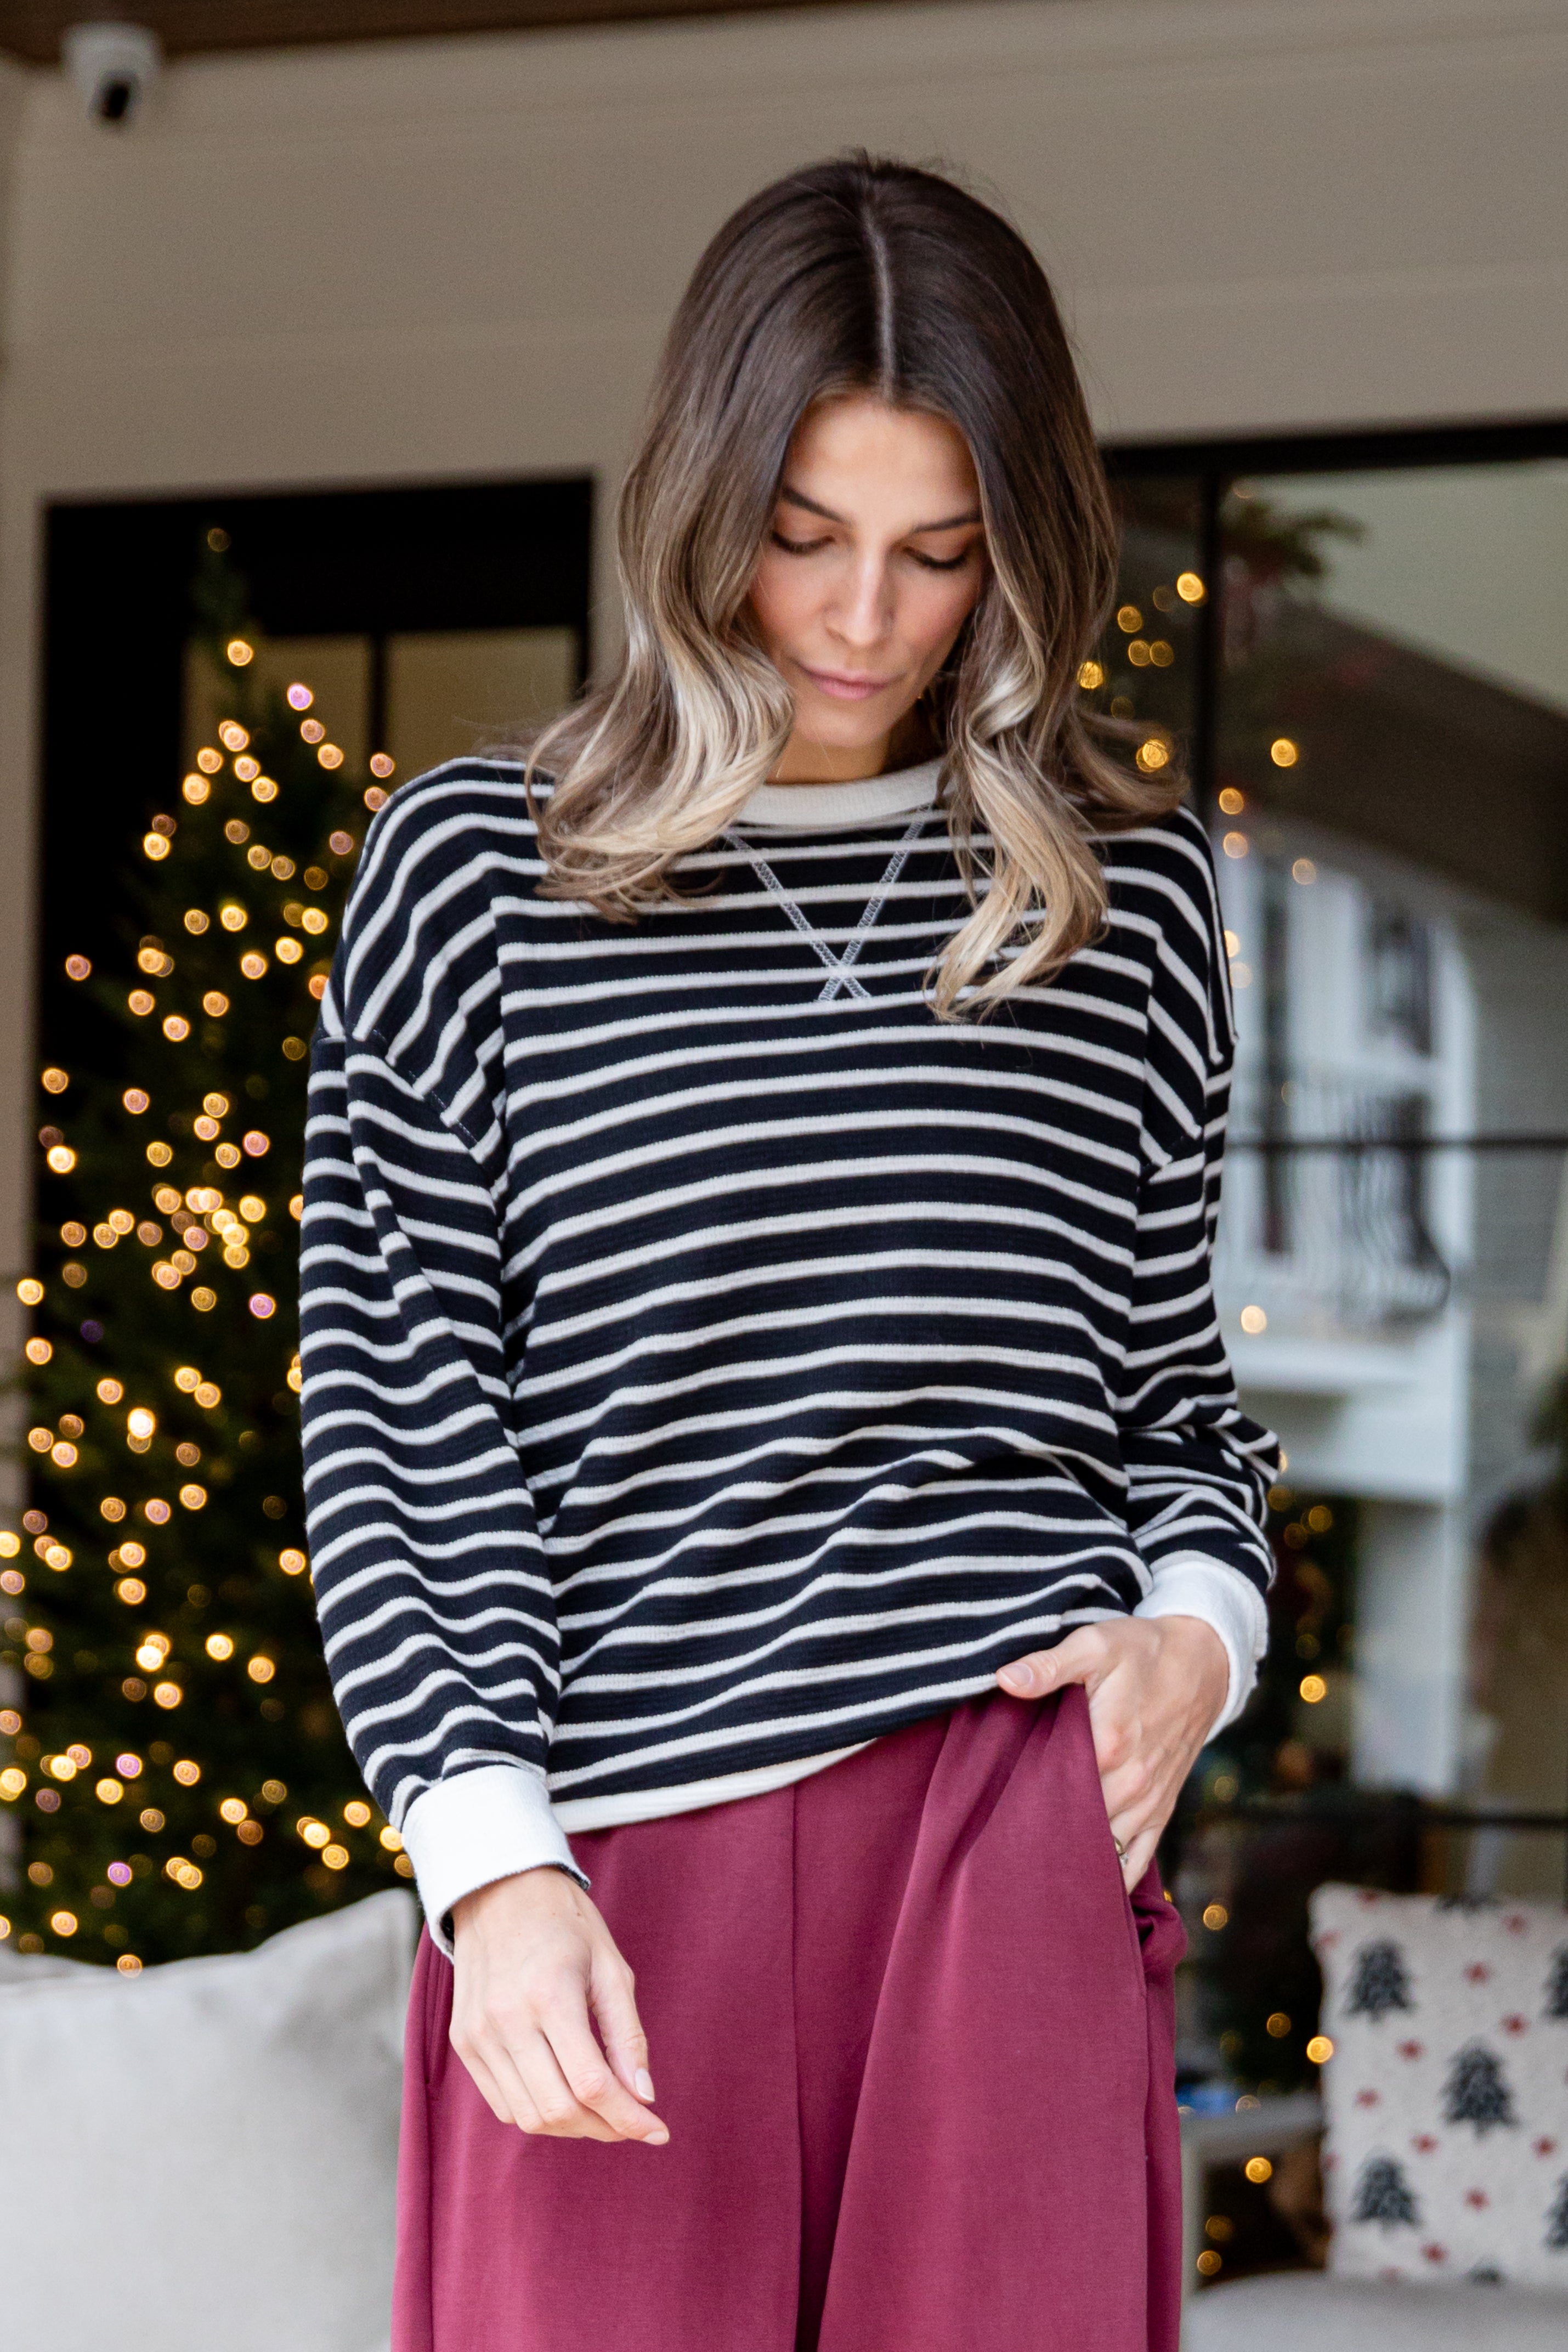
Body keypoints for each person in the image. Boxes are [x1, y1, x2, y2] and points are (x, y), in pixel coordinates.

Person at [301, 154, 1278, 2352]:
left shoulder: (1123, 906)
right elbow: (400, 1406)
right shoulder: (477, 879)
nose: (861, 618)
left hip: (1005, 1821)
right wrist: (490, 1861)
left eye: (940, 553)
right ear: (693, 506)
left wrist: (1195, 1643)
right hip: (609, 1864)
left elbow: (1170, 1401)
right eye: (802, 533)